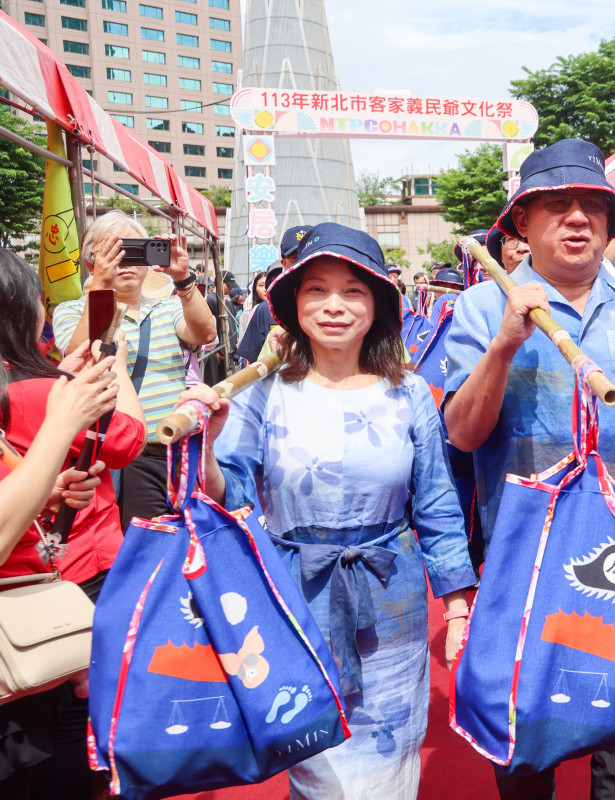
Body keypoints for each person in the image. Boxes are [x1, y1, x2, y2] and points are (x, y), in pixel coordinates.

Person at [176, 223, 475, 797]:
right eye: (316, 289)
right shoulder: (262, 393)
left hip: (393, 600)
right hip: (296, 596)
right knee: (314, 755)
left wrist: (457, 608)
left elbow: (437, 503)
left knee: (387, 760)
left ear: (378, 303)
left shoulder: (410, 393)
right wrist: (209, 443)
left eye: (353, 291)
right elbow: (230, 497)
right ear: (294, 302)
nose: (334, 306)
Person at [443, 138, 615, 800]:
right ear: (522, 223)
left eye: (593, 207)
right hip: (522, 552)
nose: (577, 218)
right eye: (557, 205)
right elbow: (462, 433)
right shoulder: (477, 308)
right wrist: (504, 343)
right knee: (526, 725)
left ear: (612, 225)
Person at [1, 247, 145, 798]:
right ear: (21, 311)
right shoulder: (45, 394)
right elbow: (129, 439)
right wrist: (118, 369)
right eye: (37, 299)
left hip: (44, 577)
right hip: (67, 575)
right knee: (68, 721)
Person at [52, 210, 215, 529]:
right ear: (91, 263)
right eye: (113, 253)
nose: (125, 260)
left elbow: (205, 333)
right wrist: (99, 288)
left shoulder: (169, 307)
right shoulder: (71, 310)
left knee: (187, 546)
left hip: (178, 451)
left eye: (133, 250)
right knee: (147, 550)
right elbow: (78, 354)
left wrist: (183, 279)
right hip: (120, 457)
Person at [237, 226, 313, 364]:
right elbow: (251, 363)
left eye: (310, 255)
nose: (303, 263)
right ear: (284, 264)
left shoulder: (337, 308)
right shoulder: (265, 310)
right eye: (295, 257)